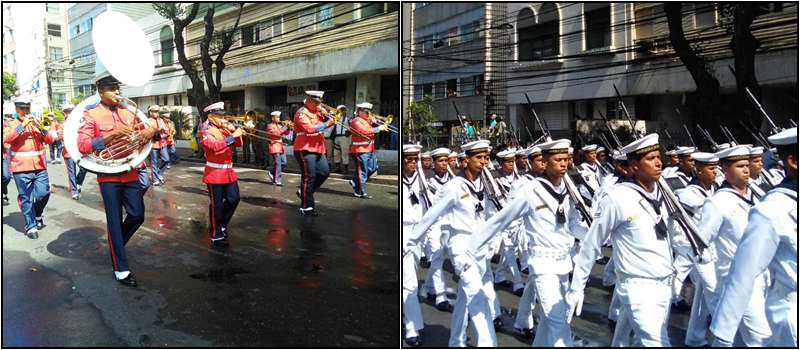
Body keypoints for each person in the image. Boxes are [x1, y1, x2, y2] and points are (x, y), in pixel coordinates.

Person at [566, 133, 705, 347]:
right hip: (637, 288)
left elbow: (674, 236)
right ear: (634, 164)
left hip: (664, 287)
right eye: (650, 158)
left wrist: (697, 253)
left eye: (658, 156)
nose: (659, 162)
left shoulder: (663, 193)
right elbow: (592, 245)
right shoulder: (617, 198)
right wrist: (577, 288)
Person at [472, 139, 589, 346]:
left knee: (548, 320)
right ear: (544, 161)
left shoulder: (568, 188)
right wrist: (471, 248)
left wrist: (593, 232)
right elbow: (500, 220)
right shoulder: (530, 190)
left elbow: (573, 224)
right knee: (559, 323)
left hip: (564, 264)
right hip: (542, 266)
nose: (564, 164)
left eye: (565, 159)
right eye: (557, 159)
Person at [406, 140, 498, 347]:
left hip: (481, 245)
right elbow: (431, 215)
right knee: (477, 296)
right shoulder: (454, 187)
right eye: (479, 158)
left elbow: (492, 215)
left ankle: (456, 341)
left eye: (486, 157)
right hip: (462, 246)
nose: (484, 162)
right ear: (466, 160)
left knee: (465, 299)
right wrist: (411, 242)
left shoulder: (488, 183)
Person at [710, 127, 797, 348]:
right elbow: (743, 272)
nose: (748, 171)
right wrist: (723, 333)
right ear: (793, 161)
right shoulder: (774, 208)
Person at [76, 67, 158, 286]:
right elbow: (83, 146)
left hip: (130, 171)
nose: (116, 92)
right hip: (108, 176)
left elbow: (152, 133)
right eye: (111, 89)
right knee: (114, 221)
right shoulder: (91, 113)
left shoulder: (129, 111)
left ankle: (115, 244)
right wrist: (110, 136)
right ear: (100, 92)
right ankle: (121, 269)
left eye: (117, 88)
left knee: (137, 215)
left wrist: (152, 131)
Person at [698, 144, 772, 347]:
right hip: (737, 277)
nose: (746, 170)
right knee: (761, 339)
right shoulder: (718, 203)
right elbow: (700, 243)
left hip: (764, 274)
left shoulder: (757, 195)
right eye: (740, 166)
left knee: (733, 339)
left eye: (747, 165)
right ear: (725, 170)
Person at [3, 97, 56, 238]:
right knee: (26, 198)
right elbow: (6, 139)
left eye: (27, 109)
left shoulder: (37, 124)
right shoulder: (10, 124)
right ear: (16, 110)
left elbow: (50, 140)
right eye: (22, 109)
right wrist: (22, 126)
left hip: (39, 166)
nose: (25, 112)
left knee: (43, 193)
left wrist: (42, 129)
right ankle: (30, 226)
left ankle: (37, 213)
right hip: (20, 168)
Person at [200, 102, 244, 246]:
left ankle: (221, 224)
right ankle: (216, 234)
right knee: (216, 205)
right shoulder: (205, 130)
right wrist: (232, 136)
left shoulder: (224, 129)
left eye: (223, 115)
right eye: (219, 115)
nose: (223, 118)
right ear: (210, 116)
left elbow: (239, 144)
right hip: (215, 171)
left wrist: (235, 131)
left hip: (228, 171)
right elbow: (215, 146)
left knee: (234, 198)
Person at [292, 90, 337, 216]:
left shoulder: (318, 111)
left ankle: (304, 192)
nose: (318, 104)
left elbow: (333, 119)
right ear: (308, 98)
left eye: (319, 102)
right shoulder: (301, 113)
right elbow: (309, 129)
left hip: (318, 148)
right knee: (309, 177)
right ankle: (306, 207)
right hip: (305, 148)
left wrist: (327, 114)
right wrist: (326, 123)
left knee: (324, 172)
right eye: (316, 101)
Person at [421, 147, 455, 312]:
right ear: (433, 163)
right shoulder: (427, 180)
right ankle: (440, 294)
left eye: (446, 161)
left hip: (450, 222)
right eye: (440, 161)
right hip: (433, 223)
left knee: (440, 256)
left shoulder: (454, 180)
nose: (444, 164)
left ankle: (428, 286)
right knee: (436, 255)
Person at [401, 143, 425, 347]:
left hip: (420, 232)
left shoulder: (422, 178)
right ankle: (411, 326)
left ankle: (405, 310)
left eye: (416, 159)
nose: (413, 163)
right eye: (409, 159)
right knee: (410, 282)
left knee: (411, 276)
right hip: (404, 231)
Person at [348, 102, 387, 198]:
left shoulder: (368, 120)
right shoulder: (356, 121)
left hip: (369, 149)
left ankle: (355, 181)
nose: (369, 114)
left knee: (373, 168)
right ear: (360, 111)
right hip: (360, 150)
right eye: (367, 112)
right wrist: (378, 128)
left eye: (369, 112)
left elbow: (373, 134)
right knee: (363, 172)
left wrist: (379, 124)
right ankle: (360, 192)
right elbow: (363, 132)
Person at [57, 104, 88, 200]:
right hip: (68, 152)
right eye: (67, 112)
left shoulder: (78, 122)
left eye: (71, 112)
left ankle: (78, 182)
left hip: (79, 151)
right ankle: (74, 191)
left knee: (84, 168)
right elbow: (60, 137)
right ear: (65, 113)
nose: (69, 114)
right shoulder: (62, 125)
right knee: (72, 172)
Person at [266, 111, 290, 186]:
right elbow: (276, 133)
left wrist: (288, 127)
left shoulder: (279, 126)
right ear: (273, 118)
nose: (279, 119)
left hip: (280, 146)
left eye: (279, 117)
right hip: (274, 146)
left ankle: (272, 173)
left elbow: (286, 133)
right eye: (277, 117)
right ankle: (277, 180)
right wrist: (284, 127)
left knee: (284, 163)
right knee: (278, 163)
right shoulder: (270, 126)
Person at [148, 106, 169, 186]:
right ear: (151, 113)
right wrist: (158, 129)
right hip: (153, 144)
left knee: (166, 159)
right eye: (155, 112)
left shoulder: (160, 120)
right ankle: (155, 180)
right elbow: (149, 132)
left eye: (157, 112)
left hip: (162, 143)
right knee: (154, 163)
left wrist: (165, 129)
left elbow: (166, 129)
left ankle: (159, 174)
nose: (157, 114)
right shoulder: (149, 121)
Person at [332, 105, 351, 175]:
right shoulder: (336, 118)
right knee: (336, 153)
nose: (341, 111)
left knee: (344, 153)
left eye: (342, 109)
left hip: (344, 137)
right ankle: (337, 167)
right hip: (337, 136)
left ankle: (345, 168)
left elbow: (353, 125)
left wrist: (349, 132)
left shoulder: (348, 118)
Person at [2, 110, 13, 205]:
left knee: (6, 176)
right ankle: (4, 194)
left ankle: (3, 191)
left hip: (3, 155)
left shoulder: (5, 125)